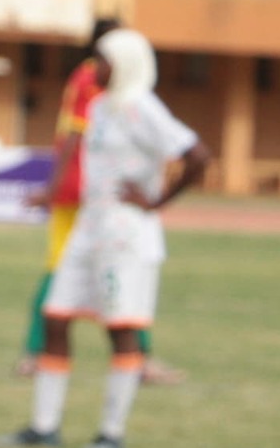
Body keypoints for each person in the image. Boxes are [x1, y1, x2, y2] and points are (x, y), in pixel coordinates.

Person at [0, 28, 212, 448]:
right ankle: (44, 427)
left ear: (126, 64)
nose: (97, 67)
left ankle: (111, 434)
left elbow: (198, 155)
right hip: (89, 228)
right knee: (56, 317)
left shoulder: (142, 109)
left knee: (121, 330)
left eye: (104, 59)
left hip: (125, 236)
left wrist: (155, 203)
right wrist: (52, 193)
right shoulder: (99, 107)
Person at [14, 22, 186, 386]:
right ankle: (40, 353)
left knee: (94, 275)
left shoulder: (114, 89)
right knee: (66, 270)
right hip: (85, 192)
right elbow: (75, 137)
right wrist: (54, 189)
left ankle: (131, 359)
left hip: (91, 193)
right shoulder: (92, 81)